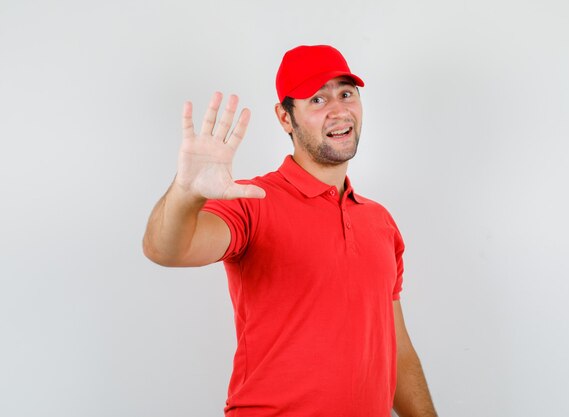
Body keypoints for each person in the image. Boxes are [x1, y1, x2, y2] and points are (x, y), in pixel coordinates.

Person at [143, 45, 437, 417]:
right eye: (317, 99)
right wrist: (186, 192)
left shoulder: (380, 222)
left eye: (346, 93)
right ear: (285, 118)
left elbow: (397, 349)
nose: (338, 109)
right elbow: (165, 249)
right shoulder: (253, 201)